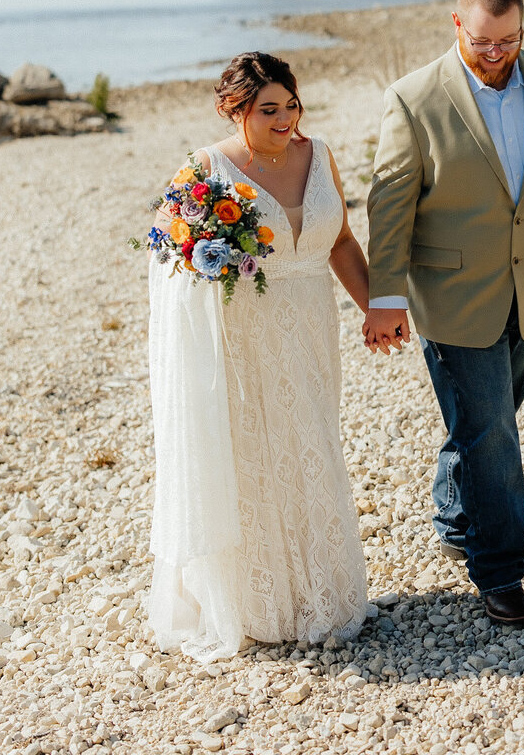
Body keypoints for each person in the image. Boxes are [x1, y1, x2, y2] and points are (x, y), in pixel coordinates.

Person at [363, 0, 524, 626]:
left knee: (487, 422)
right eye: (482, 41)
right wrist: (382, 296)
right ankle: (500, 572)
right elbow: (388, 208)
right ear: (455, 26)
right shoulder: (412, 100)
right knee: (493, 435)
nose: (496, 53)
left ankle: (453, 516)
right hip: (451, 296)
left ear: (523, 27)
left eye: (508, 39)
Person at [147, 51, 368, 661]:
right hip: (242, 337)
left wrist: (378, 308)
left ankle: (324, 595)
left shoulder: (318, 155)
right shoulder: (204, 169)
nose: (285, 120)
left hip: (312, 324)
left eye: (291, 105)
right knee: (255, 453)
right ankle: (255, 604)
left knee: (314, 441)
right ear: (234, 109)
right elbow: (170, 257)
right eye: (268, 109)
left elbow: (342, 240)